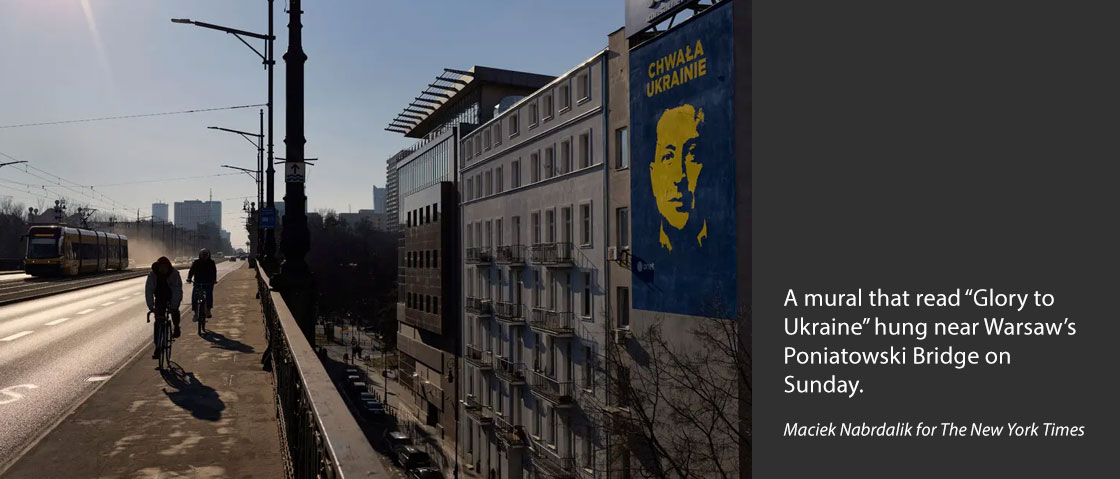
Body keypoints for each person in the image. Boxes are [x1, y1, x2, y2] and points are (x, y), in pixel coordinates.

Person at [145, 256, 183, 357]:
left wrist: (174, 306)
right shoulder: (153, 275)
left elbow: (177, 291)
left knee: (175, 311)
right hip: (159, 298)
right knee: (158, 321)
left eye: (165, 267)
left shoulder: (174, 274)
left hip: (171, 296)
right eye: (161, 267)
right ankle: (158, 346)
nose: (163, 269)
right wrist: (151, 307)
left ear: (168, 267)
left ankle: (176, 327)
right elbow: (149, 290)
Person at [186, 248, 218, 319]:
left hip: (208, 283)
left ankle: (208, 310)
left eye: (206, 255)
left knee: (209, 295)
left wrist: (214, 280)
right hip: (198, 282)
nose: (204, 256)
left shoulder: (211, 262)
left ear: (208, 255)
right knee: (194, 296)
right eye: (203, 255)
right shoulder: (196, 262)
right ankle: (195, 312)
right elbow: (191, 271)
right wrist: (189, 278)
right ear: (200, 255)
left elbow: (214, 272)